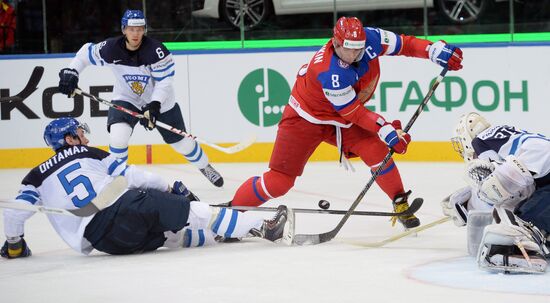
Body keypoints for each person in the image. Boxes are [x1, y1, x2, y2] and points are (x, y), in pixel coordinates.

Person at [229, 16, 463, 229]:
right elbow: (355, 114)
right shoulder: (329, 72)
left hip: (341, 118)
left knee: (377, 150)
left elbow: (406, 44)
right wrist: (384, 127)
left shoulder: (371, 37)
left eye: (359, 48)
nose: (354, 55)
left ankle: (399, 202)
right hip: (305, 119)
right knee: (280, 182)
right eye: (349, 49)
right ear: (336, 43)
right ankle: (231, 214)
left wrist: (432, 50)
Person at [1, 117, 294, 259]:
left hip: (107, 243)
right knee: (192, 211)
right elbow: (134, 176)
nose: (85, 139)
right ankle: (262, 226)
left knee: (169, 234)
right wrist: (169, 188)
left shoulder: (34, 176)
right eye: (80, 134)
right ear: (68, 139)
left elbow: (16, 214)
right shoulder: (90, 154)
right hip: (122, 210)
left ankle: (225, 232)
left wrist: (15, 246)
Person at [57, 9, 223, 188]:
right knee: (118, 137)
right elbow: (85, 54)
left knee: (182, 144)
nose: (135, 33)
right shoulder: (111, 48)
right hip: (126, 97)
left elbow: (164, 82)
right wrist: (71, 72)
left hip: (161, 102)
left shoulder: (157, 51)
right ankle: (118, 181)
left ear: (144, 30)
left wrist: (154, 105)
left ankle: (205, 166)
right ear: (123, 30)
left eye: (139, 29)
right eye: (131, 29)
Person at [442, 112, 550, 273]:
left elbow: (496, 187)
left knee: (508, 208)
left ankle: (522, 241)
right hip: (542, 167)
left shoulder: (479, 141)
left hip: (538, 159)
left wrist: (471, 203)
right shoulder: (506, 137)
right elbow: (521, 186)